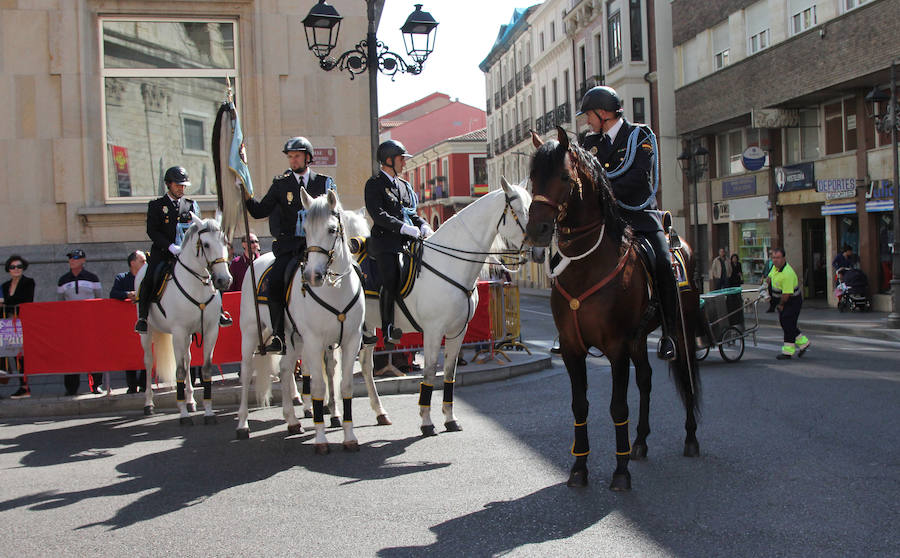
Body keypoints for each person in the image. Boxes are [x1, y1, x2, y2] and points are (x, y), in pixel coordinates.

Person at [577, 85, 678, 360]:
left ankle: (670, 333)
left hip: (639, 215)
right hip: (605, 219)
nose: (587, 121)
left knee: (662, 263)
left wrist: (601, 188)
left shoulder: (639, 136)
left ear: (604, 113)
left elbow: (638, 177)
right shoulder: (588, 143)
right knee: (570, 256)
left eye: (589, 114)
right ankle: (571, 330)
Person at [244, 137, 336, 354]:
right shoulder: (280, 184)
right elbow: (259, 211)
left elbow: (335, 212)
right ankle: (278, 334)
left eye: (297, 156)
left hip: (319, 245)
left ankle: (355, 327)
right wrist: (246, 194)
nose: (293, 160)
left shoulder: (324, 183)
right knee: (275, 282)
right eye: (290, 157)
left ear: (308, 157)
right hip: (290, 247)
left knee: (349, 274)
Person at [135, 166, 231, 334]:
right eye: (178, 185)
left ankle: (219, 311)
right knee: (150, 277)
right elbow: (152, 231)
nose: (181, 188)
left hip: (189, 254)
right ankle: (143, 317)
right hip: (165, 252)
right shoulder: (157, 205)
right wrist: (170, 247)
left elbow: (198, 230)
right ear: (168, 185)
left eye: (183, 185)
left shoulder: (191, 205)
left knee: (214, 274)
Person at [364, 140, 432, 347]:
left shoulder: (404, 186)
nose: (404, 163)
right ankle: (387, 328)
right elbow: (378, 214)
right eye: (401, 159)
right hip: (385, 243)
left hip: (408, 242)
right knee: (392, 276)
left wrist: (424, 225)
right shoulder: (374, 184)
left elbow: (411, 213)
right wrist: (403, 228)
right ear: (388, 160)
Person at [58, 248, 104, 395]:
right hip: (71, 324)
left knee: (93, 353)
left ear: (83, 260)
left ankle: (96, 385)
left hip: (90, 323)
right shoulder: (63, 279)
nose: (72, 260)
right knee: (71, 355)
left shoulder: (92, 278)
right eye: (70, 258)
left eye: (76, 258)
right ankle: (71, 388)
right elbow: (60, 302)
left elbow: (99, 298)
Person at [111, 250, 148, 393]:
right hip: (127, 324)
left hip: (145, 321)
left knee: (147, 351)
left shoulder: (148, 277)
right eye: (142, 261)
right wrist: (127, 294)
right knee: (129, 352)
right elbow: (113, 293)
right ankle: (132, 385)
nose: (145, 264)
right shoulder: (121, 278)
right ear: (132, 263)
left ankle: (145, 383)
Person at [1, 255, 35, 398]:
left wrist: (6, 303)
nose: (16, 269)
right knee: (4, 353)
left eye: (19, 266)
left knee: (20, 356)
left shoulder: (28, 282)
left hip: (21, 323)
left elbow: (26, 300)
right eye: (13, 267)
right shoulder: (4, 285)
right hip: (6, 325)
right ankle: (4, 377)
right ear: (8, 269)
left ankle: (24, 387)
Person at [766, 248, 810, 360]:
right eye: (773, 258)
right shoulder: (775, 268)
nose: (775, 260)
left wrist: (780, 305)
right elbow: (770, 277)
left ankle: (788, 352)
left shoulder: (788, 273)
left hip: (792, 301)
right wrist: (766, 280)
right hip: (783, 300)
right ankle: (803, 342)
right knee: (787, 323)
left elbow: (786, 294)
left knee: (787, 323)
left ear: (784, 259)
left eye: (778, 258)